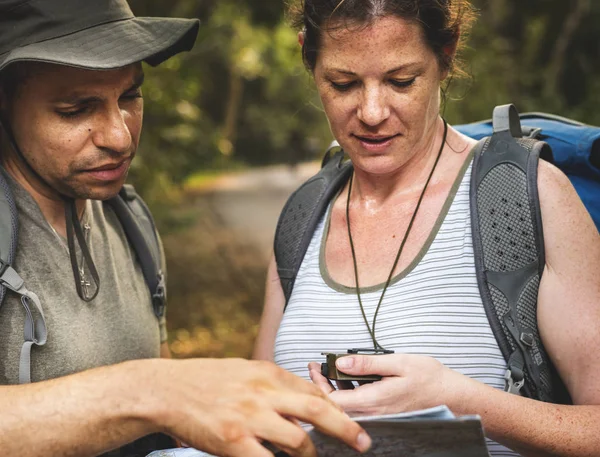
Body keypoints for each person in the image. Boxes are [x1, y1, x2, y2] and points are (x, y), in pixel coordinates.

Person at [0, 1, 373, 456]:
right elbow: (159, 392)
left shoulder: (128, 220)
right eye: (76, 109)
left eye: (131, 96)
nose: (119, 137)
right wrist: (153, 392)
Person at [253, 0, 600, 456]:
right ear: (308, 56)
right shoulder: (304, 213)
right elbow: (255, 410)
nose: (372, 111)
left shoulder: (529, 197)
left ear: (446, 53)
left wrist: (456, 399)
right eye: (343, 84)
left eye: (401, 81)